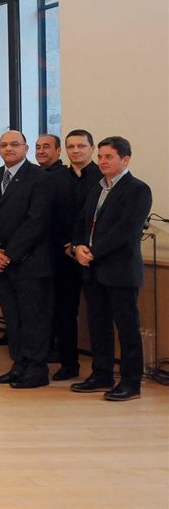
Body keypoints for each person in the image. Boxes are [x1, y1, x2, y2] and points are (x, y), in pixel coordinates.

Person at [71, 136, 152, 402]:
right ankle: (101, 374)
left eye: (109, 157)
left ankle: (131, 382)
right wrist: (78, 246)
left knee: (127, 328)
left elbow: (126, 230)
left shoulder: (137, 189)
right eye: (100, 157)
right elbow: (82, 222)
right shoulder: (96, 188)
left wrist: (93, 251)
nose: (102, 161)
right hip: (92, 269)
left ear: (125, 159)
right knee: (98, 325)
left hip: (120, 269)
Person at [0, 130, 53, 389]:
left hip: (28, 262)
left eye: (14, 144)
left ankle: (36, 369)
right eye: (4, 145)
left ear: (26, 148)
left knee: (33, 318)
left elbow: (36, 221)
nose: (8, 148)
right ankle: (19, 364)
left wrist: (9, 254)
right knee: (13, 318)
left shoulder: (39, 178)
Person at [46, 129, 102, 380]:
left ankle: (101, 370)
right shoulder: (56, 179)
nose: (76, 150)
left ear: (92, 148)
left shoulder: (103, 178)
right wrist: (67, 244)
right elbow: (50, 216)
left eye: (81, 146)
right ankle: (69, 364)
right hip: (64, 256)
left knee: (98, 314)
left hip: (95, 256)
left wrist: (84, 246)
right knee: (64, 312)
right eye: (71, 147)